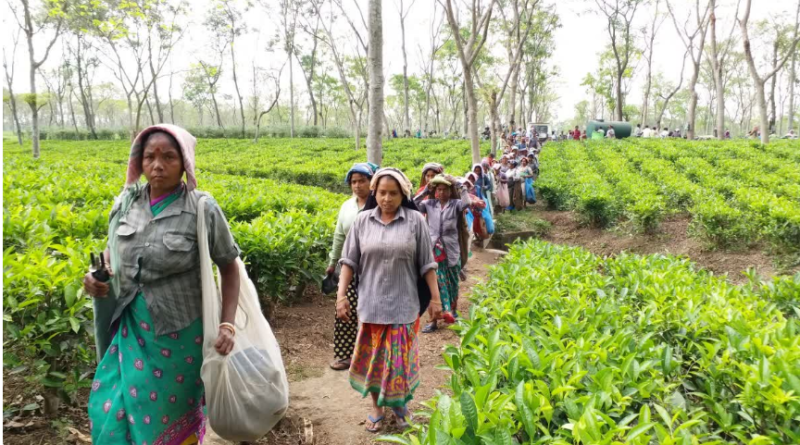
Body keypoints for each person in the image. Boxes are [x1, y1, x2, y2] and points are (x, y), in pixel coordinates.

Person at [84, 125, 241, 445]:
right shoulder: (125, 205)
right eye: (149, 157)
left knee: (166, 423)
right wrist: (95, 279)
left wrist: (227, 324)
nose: (158, 165)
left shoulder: (202, 208)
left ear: (185, 162)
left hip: (180, 337)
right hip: (129, 328)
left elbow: (229, 266)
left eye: (168, 157)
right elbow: (111, 254)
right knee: (108, 406)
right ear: (138, 162)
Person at [337, 168, 439, 433]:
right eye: (382, 192)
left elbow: (427, 265)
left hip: (403, 306)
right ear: (375, 192)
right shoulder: (362, 222)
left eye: (393, 193)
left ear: (403, 194)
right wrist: (340, 297)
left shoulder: (415, 221)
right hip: (371, 307)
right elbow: (348, 262)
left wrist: (436, 302)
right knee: (376, 362)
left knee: (399, 364)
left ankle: (401, 408)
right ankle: (376, 408)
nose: (386, 199)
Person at [327, 163, 375, 371]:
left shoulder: (378, 204)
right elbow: (339, 235)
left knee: (371, 310)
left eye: (361, 181)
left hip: (373, 267)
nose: (357, 185)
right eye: (353, 182)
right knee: (345, 309)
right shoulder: (347, 206)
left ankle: (371, 355)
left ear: (371, 182)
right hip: (349, 266)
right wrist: (332, 262)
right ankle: (346, 355)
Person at [419, 174, 473, 333]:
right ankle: (435, 319)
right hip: (434, 247)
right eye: (438, 190)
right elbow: (413, 204)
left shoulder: (455, 204)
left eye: (444, 190)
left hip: (451, 247)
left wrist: (460, 185)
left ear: (450, 192)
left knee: (452, 283)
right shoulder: (429, 204)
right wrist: (425, 191)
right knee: (436, 282)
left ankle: (452, 310)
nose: (441, 193)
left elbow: (467, 203)